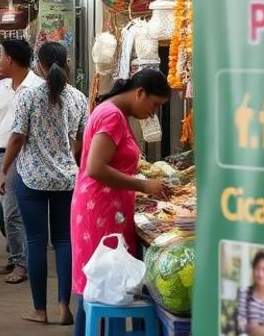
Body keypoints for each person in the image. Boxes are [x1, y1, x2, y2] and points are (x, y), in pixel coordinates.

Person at [71, 70, 172, 336]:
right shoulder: (112, 115)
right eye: (154, 105)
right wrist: (143, 185)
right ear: (140, 93)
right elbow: (96, 168)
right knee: (100, 288)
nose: (153, 113)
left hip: (104, 208)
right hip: (99, 211)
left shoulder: (114, 112)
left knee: (101, 287)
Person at [0, 41, 87, 326]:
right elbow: (81, 139)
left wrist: (3, 170)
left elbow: (17, 138)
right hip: (66, 179)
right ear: (66, 62)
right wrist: (67, 157)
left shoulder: (29, 96)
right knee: (63, 240)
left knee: (36, 241)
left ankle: (40, 310)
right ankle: (64, 306)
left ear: (40, 65)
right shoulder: (78, 98)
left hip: (32, 178)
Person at [0, 38, 43, 284]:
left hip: (23, 156)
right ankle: (17, 255)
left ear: (11, 60)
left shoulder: (38, 87)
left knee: (12, 213)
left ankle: (21, 263)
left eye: (1, 56)